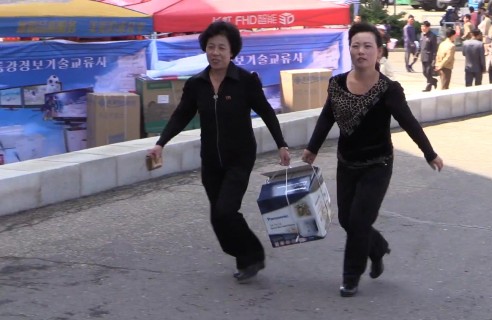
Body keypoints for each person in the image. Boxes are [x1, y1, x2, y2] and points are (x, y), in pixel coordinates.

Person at [301, 22, 444, 298]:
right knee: (347, 219)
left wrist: (429, 153)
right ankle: (377, 248)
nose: (361, 51)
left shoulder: (388, 89)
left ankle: (350, 277)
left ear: (378, 52)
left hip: (378, 164)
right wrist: (312, 148)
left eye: (368, 46)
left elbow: (409, 122)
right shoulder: (337, 84)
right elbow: (326, 117)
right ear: (350, 50)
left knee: (359, 220)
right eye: (356, 46)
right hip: (347, 162)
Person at [147, 21, 291, 283]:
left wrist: (281, 143)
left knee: (226, 210)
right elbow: (181, 115)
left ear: (232, 51)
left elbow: (267, 112)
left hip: (240, 158)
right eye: (211, 47)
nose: (215, 52)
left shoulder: (245, 81)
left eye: (221, 48)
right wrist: (161, 143)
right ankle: (245, 258)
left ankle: (253, 254)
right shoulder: (196, 84)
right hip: (211, 160)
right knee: (219, 217)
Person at [418, 21, 438, 91]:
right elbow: (420, 46)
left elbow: (435, 48)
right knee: (424, 72)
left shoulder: (432, 36)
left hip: (429, 58)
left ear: (428, 27)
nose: (422, 28)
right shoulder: (421, 35)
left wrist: (434, 59)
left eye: (424, 27)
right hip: (423, 57)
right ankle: (433, 80)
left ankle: (428, 87)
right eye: (422, 26)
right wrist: (417, 53)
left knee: (428, 72)